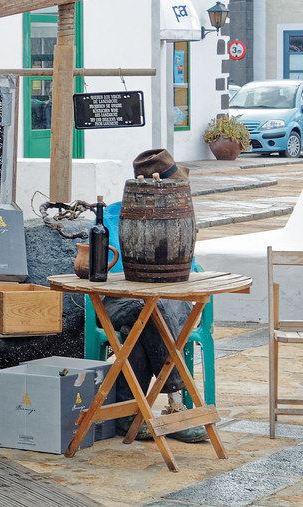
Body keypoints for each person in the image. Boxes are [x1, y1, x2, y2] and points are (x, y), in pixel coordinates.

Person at [108, 148, 205, 443]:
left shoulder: (178, 211)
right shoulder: (119, 214)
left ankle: (128, 414)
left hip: (161, 300)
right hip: (120, 297)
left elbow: (188, 264)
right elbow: (106, 269)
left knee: (148, 317)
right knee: (150, 311)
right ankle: (176, 403)